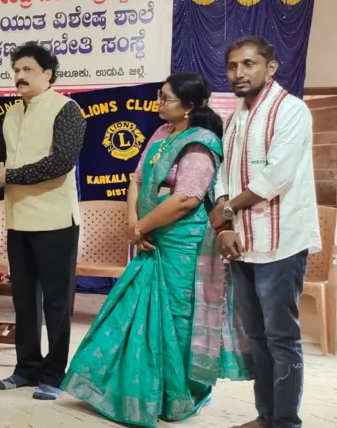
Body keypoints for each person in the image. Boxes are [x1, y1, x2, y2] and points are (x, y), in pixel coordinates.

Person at [62, 73, 250, 427]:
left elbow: (186, 199)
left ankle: (175, 395)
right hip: (150, 238)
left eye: (166, 98)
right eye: (159, 96)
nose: (159, 103)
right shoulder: (163, 133)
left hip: (182, 246)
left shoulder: (200, 143)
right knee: (132, 313)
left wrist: (140, 228)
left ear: (188, 106)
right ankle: (129, 390)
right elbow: (136, 179)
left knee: (176, 319)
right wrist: (133, 223)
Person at [209, 36, 319, 428]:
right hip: (241, 243)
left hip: (281, 243)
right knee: (256, 335)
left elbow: (277, 176)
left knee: (281, 337)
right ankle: (265, 416)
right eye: (232, 66)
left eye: (249, 64)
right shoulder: (235, 116)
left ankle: (285, 422)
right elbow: (222, 174)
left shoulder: (291, 110)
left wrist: (226, 210)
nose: (239, 73)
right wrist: (224, 226)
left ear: (270, 68)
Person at [0, 43, 85, 400]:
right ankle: (25, 368)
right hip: (18, 219)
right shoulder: (11, 113)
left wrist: (8, 177)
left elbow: (61, 163)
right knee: (23, 300)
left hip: (55, 220)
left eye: (27, 70)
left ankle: (53, 375)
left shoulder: (67, 109)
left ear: (48, 74)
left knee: (55, 302)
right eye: (16, 70)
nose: (19, 76)